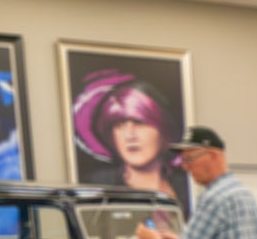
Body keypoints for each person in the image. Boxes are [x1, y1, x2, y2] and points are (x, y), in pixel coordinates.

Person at [72, 71, 187, 203]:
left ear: (163, 129)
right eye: (120, 125)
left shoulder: (188, 185)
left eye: (139, 123)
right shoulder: (94, 185)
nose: (129, 135)